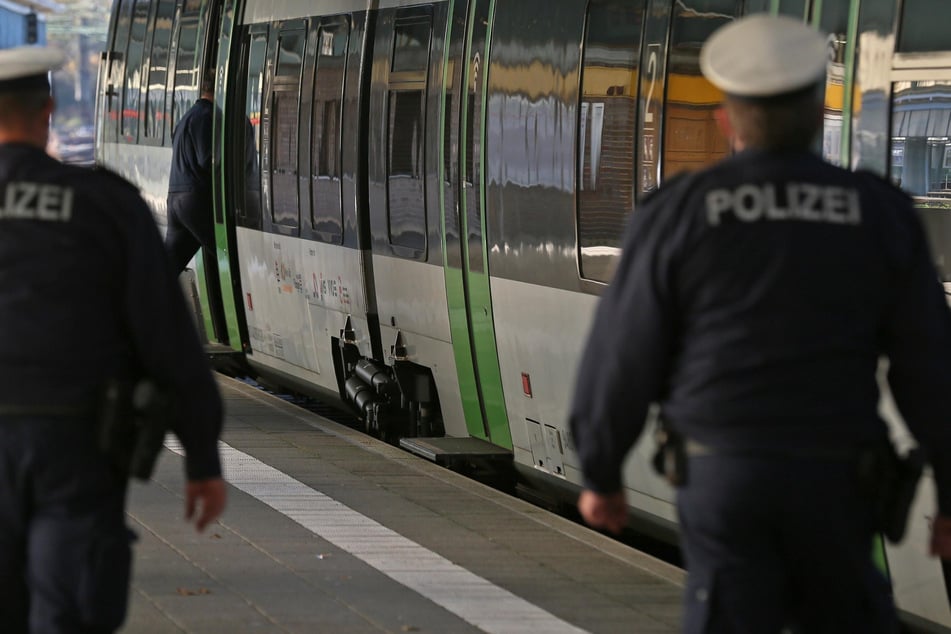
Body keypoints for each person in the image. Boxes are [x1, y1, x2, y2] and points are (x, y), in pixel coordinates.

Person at [569, 14, 951, 634]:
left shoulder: (679, 213)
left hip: (724, 476)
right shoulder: (880, 214)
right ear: (816, 110)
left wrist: (601, 472)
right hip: (837, 480)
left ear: (725, 118)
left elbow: (623, 354)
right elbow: (930, 367)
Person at [0, 46, 226, 633]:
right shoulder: (104, 203)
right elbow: (167, 338)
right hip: (75, 446)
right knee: (69, 609)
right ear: (47, 110)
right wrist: (202, 457)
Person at [166, 73, 217, 274]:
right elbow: (207, 159)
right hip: (195, 201)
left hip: (175, 199)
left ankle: (142, 303)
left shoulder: (187, 117)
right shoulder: (206, 116)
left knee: (167, 266)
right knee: (227, 251)